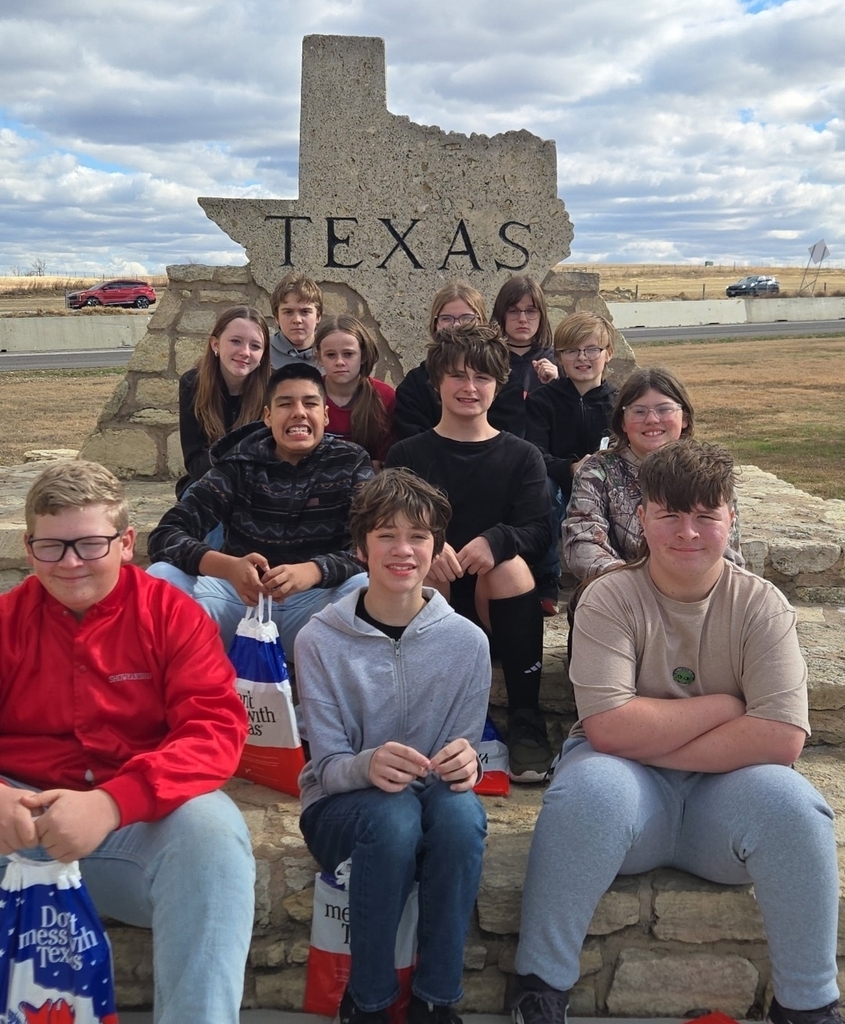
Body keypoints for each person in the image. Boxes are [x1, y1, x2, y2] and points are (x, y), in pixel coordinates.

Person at [511, 440, 841, 1024]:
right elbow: (610, 730)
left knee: (797, 807)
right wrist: (726, 704)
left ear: (729, 518)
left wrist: (652, 729)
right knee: (585, 793)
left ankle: (809, 1004)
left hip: (727, 805)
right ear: (641, 518)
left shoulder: (761, 606)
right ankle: (540, 986)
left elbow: (780, 739)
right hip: (629, 798)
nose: (688, 533)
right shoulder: (609, 597)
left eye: (705, 516)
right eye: (670, 515)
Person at [0, 460, 254, 1024]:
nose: (70, 564)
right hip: (13, 823)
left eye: (90, 545)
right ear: (28, 546)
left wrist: (114, 802)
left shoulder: (172, 616)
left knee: (213, 837)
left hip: (128, 829)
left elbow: (214, 729)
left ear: (126, 542)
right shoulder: (5, 620)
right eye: (52, 547)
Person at [296, 468, 490, 1024]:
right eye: (386, 535)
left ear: (437, 548)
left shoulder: (467, 642)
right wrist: (367, 764)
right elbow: (325, 767)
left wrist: (467, 763)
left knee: (459, 818)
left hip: (429, 803)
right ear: (361, 548)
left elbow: (466, 750)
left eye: (419, 537)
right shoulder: (319, 639)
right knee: (394, 816)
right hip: (343, 810)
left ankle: (436, 999)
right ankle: (371, 1000)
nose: (402, 550)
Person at [386, 324, 553, 782]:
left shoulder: (522, 456)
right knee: (420, 566)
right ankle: (432, 717)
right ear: (437, 381)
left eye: (482, 377)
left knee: (512, 567)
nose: (469, 387)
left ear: (499, 384)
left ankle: (525, 718)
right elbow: (384, 527)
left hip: (497, 608)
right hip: (429, 607)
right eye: (458, 376)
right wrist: (427, 548)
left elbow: (539, 530)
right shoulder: (408, 454)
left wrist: (497, 541)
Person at [148, 362, 371, 652]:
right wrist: (227, 567)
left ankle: (331, 690)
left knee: (366, 588)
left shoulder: (350, 461)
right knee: (161, 579)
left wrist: (314, 570)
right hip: (240, 602)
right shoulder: (238, 464)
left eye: (311, 403)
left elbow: (370, 544)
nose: (299, 412)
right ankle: (199, 681)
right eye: (285, 403)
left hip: (316, 607)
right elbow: (165, 535)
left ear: (326, 415)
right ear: (267, 416)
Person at [562, 366, 743, 580]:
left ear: (684, 418)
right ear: (622, 421)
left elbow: (726, 549)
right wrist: (642, 586)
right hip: (620, 591)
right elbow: (583, 544)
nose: (652, 420)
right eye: (639, 411)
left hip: (698, 589)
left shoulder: (709, 471)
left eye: (664, 409)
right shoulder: (597, 471)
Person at [525, 312, 617, 615]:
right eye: (571, 351)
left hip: (606, 488)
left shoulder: (620, 403)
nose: (582, 358)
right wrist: (571, 468)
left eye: (592, 349)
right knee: (543, 490)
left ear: (608, 354)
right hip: (561, 484)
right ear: (559, 357)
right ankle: (547, 578)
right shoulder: (543, 401)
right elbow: (536, 452)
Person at [395, 281, 525, 439]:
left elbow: (510, 438)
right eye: (446, 319)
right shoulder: (414, 383)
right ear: (435, 325)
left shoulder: (506, 379)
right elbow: (411, 442)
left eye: (467, 318)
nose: (456, 326)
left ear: (482, 322)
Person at [176, 305, 271, 499]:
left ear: (263, 355)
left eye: (255, 346)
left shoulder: (274, 388)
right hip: (206, 481)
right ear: (215, 345)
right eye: (236, 341)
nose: (245, 352)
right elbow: (195, 462)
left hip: (259, 484)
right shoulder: (192, 384)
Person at [315, 314, 397, 469]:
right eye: (331, 355)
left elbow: (388, 462)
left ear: (363, 355)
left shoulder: (385, 396)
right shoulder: (308, 396)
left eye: (348, 354)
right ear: (319, 357)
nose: (339, 362)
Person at [491, 275, 555, 397]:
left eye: (531, 311)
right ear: (501, 314)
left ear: (541, 315)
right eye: (513, 311)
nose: (522, 319)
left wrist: (558, 383)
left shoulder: (557, 360)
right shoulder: (488, 359)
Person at [269, 272, 322, 369]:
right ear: (277, 317)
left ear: (318, 316)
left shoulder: (330, 354)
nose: (297, 320)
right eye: (288, 312)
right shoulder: (262, 355)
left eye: (305, 311)